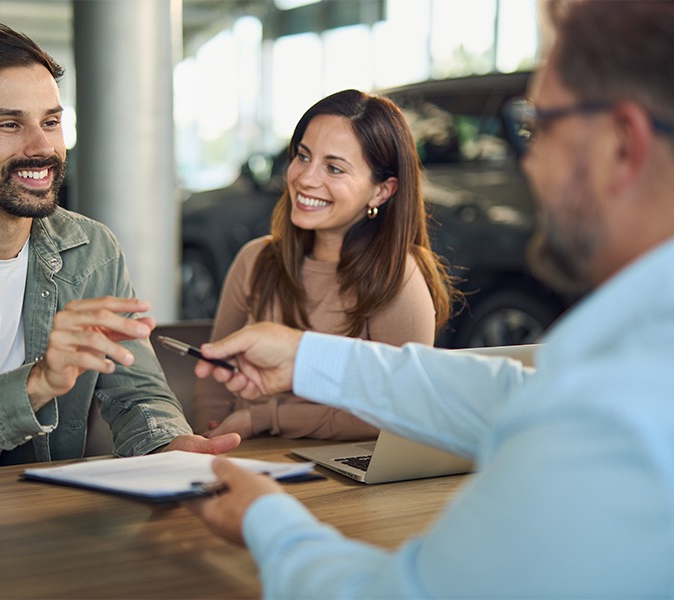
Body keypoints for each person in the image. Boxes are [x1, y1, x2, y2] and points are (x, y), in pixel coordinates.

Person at [189, 1, 674, 596]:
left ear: (623, 145)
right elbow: (515, 396)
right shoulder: (634, 351)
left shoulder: (612, 413)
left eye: (536, 127)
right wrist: (308, 359)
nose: (527, 163)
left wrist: (267, 521)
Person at [0, 23, 239, 481]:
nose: (42, 146)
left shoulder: (92, 251)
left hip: (36, 505)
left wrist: (171, 445)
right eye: (10, 124)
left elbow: (136, 396)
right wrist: (38, 382)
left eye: (50, 122)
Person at [194, 89, 457, 441]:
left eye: (333, 168)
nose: (305, 178)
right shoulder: (255, 259)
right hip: (244, 458)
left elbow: (397, 410)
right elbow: (214, 381)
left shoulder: (396, 277)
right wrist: (211, 443)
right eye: (303, 156)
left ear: (382, 191)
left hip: (335, 472)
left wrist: (263, 418)